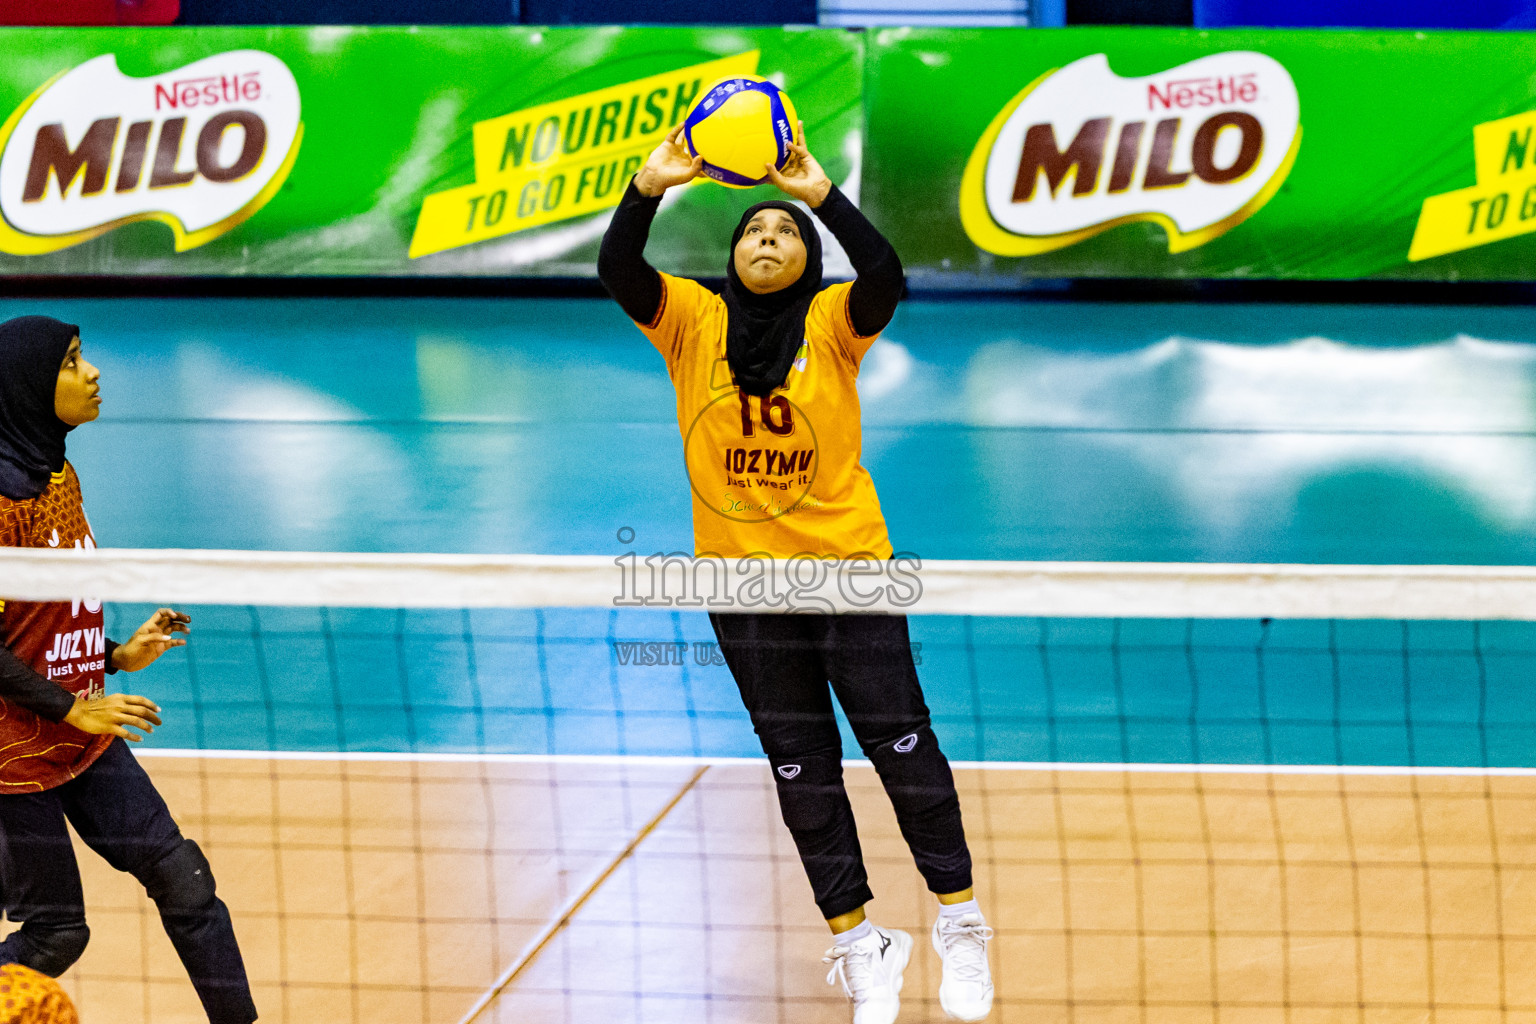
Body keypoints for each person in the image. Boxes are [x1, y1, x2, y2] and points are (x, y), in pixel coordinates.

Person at [598, 126, 994, 1023]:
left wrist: (820, 195)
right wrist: (647, 187)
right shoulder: (689, 319)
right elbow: (620, 269)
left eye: (784, 233)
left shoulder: (832, 321)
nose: (766, 240)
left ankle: (960, 925)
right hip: (742, 591)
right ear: (732, 254)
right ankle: (861, 944)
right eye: (751, 232)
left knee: (907, 757)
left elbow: (886, 277)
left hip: (850, 575)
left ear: (807, 255)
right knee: (801, 773)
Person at [0, 316, 257, 1024]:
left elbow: (37, 617)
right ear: (26, 386)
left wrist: (113, 654)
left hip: (83, 734)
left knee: (184, 881)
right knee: (56, 934)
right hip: (10, 760)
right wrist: (70, 705)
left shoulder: (57, 471)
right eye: (73, 362)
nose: (93, 373)